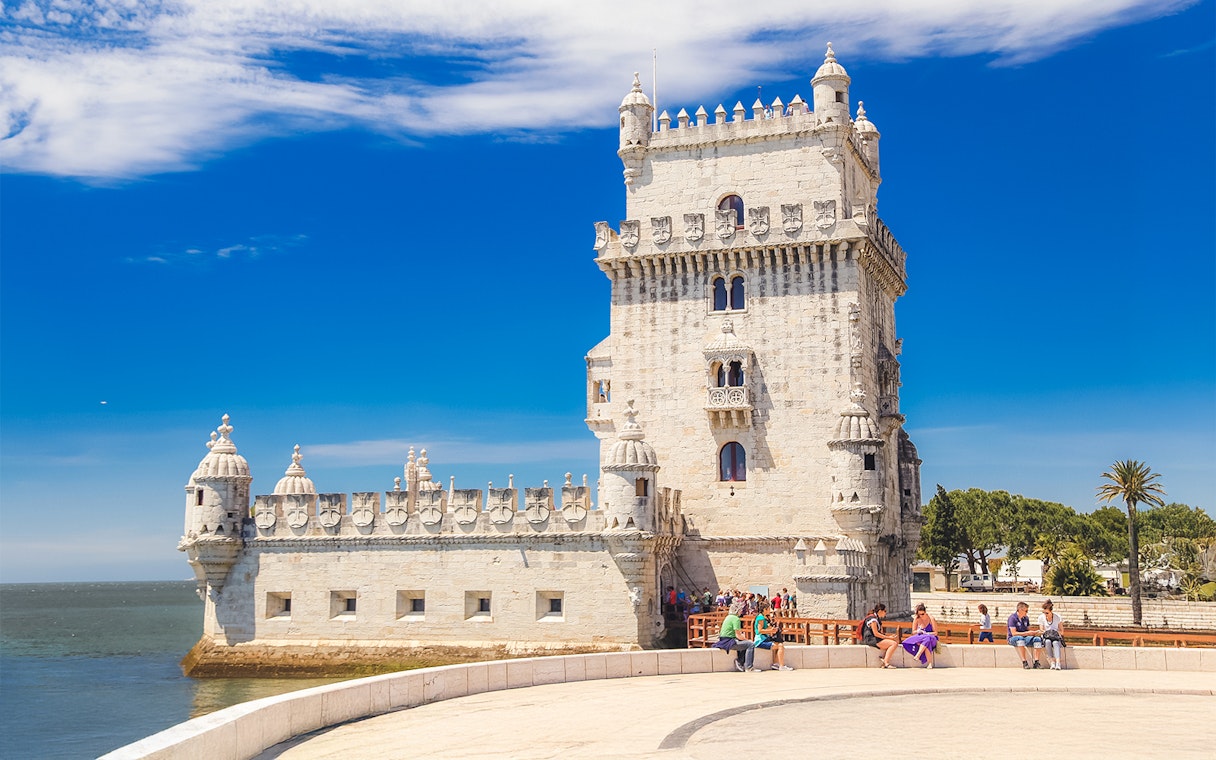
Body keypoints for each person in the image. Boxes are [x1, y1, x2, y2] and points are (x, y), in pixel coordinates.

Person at [711, 600, 756, 672]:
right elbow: (738, 635)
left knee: (744, 643)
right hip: (729, 642)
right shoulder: (736, 619)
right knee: (750, 645)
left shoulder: (728, 617)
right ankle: (749, 667)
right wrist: (747, 639)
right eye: (741, 610)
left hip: (723, 640)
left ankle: (740, 662)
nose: (741, 611)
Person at [754, 600, 793, 671]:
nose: (770, 610)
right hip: (760, 640)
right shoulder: (761, 618)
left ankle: (776, 664)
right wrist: (771, 631)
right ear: (764, 610)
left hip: (764, 638)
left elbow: (766, 628)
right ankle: (781, 666)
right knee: (780, 646)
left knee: (778, 644)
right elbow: (760, 630)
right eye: (768, 609)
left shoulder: (763, 617)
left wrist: (773, 629)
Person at [861, 603, 900, 668]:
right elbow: (876, 633)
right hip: (871, 639)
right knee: (894, 644)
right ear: (880, 611)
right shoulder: (873, 620)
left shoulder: (877, 618)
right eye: (885, 611)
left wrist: (890, 637)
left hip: (875, 638)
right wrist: (889, 637)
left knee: (894, 642)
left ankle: (884, 661)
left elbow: (881, 632)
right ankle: (886, 662)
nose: (885, 613)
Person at [1007, 601, 1045, 669]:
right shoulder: (1012, 618)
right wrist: (1027, 633)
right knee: (1020, 639)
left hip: (1025, 637)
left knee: (1037, 639)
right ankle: (1024, 662)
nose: (1027, 612)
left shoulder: (1026, 618)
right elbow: (1014, 633)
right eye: (1026, 611)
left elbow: (1028, 630)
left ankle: (1036, 662)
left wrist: (1035, 633)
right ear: (1020, 610)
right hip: (1013, 638)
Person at [901, 603, 939, 668]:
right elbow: (913, 632)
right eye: (919, 614)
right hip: (921, 637)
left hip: (931, 637)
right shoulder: (916, 619)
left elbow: (935, 633)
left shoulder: (931, 618)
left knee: (928, 638)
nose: (921, 616)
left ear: (925, 612)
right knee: (927, 642)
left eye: (922, 614)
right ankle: (929, 664)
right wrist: (919, 631)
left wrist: (927, 633)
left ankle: (918, 655)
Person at [1037, 600, 1065, 670]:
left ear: (1051, 611)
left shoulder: (1057, 617)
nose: (1045, 614)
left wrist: (1055, 633)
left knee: (1055, 643)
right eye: (1044, 612)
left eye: (1047, 613)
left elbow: (1062, 631)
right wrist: (1048, 632)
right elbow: (1041, 630)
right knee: (1048, 642)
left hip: (1055, 636)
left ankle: (1058, 663)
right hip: (1046, 637)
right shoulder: (1041, 617)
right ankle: (1052, 662)